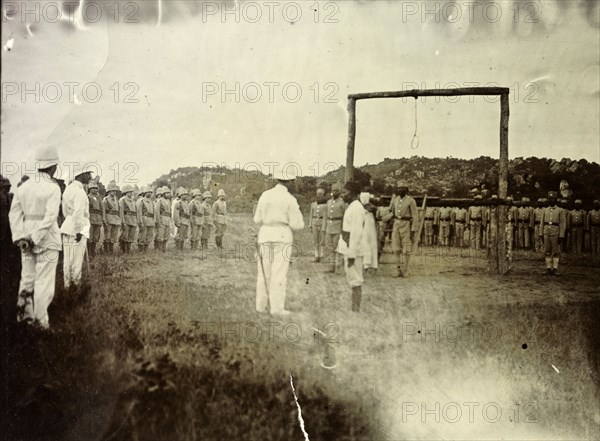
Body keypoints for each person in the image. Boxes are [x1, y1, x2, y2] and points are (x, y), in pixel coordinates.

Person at [9, 145, 62, 329]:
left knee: (28, 277)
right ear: (53, 167)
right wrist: (35, 236)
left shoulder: (24, 187)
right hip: (47, 238)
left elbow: (14, 213)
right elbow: (50, 217)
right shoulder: (53, 188)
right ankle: (41, 323)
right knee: (44, 281)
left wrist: (21, 237)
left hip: (26, 239)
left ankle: (24, 319)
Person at [253, 168, 304, 316]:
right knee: (279, 274)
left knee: (263, 273)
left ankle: (260, 306)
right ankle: (276, 309)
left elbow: (257, 219)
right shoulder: (290, 199)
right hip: (282, 235)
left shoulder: (265, 195)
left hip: (265, 234)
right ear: (290, 182)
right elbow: (297, 224)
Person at [338, 184, 378, 312]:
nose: (342, 195)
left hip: (353, 249)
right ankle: (354, 308)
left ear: (354, 194)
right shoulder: (353, 207)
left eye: (345, 192)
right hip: (348, 247)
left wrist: (351, 255)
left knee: (355, 279)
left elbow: (356, 233)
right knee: (352, 278)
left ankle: (356, 310)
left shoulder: (356, 208)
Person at [61, 164, 94, 289]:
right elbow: (79, 213)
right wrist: (79, 230)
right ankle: (75, 286)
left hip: (68, 224)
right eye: (88, 174)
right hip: (79, 227)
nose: (90, 177)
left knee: (68, 259)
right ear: (81, 175)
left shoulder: (68, 189)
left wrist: (72, 225)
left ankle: (67, 285)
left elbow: (65, 212)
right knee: (76, 260)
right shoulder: (79, 192)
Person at [385, 182, 418, 277]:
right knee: (396, 248)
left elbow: (415, 216)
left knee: (406, 249)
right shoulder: (395, 199)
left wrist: (413, 229)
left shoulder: (411, 201)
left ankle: (406, 270)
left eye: (402, 188)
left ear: (406, 190)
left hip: (406, 225)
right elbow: (392, 212)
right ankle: (397, 269)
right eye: (399, 188)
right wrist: (385, 218)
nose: (400, 190)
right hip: (396, 224)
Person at [539, 191, 566, 275]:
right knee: (547, 251)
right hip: (546, 232)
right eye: (550, 199)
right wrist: (541, 234)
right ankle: (548, 268)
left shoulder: (560, 210)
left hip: (555, 232)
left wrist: (561, 235)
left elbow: (562, 223)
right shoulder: (544, 210)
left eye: (553, 199)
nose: (551, 200)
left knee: (555, 251)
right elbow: (542, 223)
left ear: (556, 199)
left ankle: (555, 269)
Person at [322, 183, 346, 273]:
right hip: (329, 226)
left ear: (339, 192)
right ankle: (331, 267)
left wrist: (343, 229)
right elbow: (325, 216)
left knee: (337, 247)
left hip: (338, 226)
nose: (334, 192)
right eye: (333, 191)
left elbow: (344, 216)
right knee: (329, 247)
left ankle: (338, 267)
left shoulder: (342, 203)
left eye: (336, 191)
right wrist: (324, 228)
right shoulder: (328, 202)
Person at [308, 188, 327, 262]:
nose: (319, 196)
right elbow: (310, 215)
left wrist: (325, 226)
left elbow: (326, 216)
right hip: (314, 222)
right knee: (315, 240)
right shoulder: (313, 204)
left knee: (322, 240)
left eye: (321, 194)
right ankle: (316, 256)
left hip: (322, 222)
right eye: (318, 194)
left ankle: (321, 256)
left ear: (323, 195)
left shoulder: (326, 205)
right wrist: (310, 225)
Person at [102, 182, 121, 254]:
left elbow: (118, 210)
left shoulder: (116, 200)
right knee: (107, 235)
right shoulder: (105, 200)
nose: (114, 192)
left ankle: (111, 249)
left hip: (116, 219)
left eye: (115, 191)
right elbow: (103, 211)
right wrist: (104, 219)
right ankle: (106, 250)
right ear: (109, 191)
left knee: (114, 236)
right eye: (113, 190)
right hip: (108, 219)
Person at [136, 186, 156, 252]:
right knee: (142, 235)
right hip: (144, 220)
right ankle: (140, 249)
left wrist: (154, 221)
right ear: (145, 193)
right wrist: (140, 222)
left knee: (149, 235)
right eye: (148, 192)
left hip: (151, 220)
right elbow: (139, 212)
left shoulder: (152, 202)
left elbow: (154, 212)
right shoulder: (141, 201)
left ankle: (146, 249)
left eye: (150, 192)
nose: (149, 194)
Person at [119, 184, 137, 253]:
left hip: (133, 219)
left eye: (131, 192)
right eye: (129, 192)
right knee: (124, 235)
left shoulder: (133, 200)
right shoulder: (122, 200)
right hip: (126, 219)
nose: (130, 193)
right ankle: (124, 249)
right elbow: (121, 212)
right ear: (125, 192)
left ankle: (128, 249)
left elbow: (135, 211)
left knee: (131, 235)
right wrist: (123, 222)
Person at [87, 181, 103, 257]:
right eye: (94, 188)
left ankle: (93, 250)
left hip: (98, 219)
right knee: (90, 236)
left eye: (96, 188)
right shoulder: (87, 197)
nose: (96, 190)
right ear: (90, 189)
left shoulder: (99, 198)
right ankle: (89, 252)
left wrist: (102, 218)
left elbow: (102, 209)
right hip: (90, 219)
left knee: (96, 236)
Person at [154, 186, 171, 252]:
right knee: (160, 235)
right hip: (161, 220)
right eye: (166, 193)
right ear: (163, 194)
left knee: (166, 235)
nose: (168, 194)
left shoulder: (169, 201)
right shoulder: (159, 201)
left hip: (167, 220)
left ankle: (164, 248)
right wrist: (157, 221)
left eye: (169, 193)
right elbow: (157, 212)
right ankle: (159, 249)